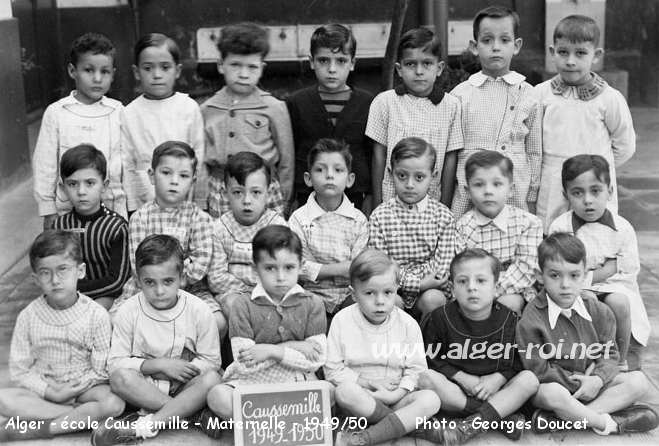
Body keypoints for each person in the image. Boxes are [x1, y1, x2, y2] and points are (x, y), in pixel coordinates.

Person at [516, 233, 658, 435]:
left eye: (574, 275)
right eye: (555, 275)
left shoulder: (599, 311)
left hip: (593, 384)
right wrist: (578, 381)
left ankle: (564, 420)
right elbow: (537, 369)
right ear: (540, 276)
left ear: (584, 275)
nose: (565, 284)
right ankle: (604, 423)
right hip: (556, 388)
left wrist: (597, 380)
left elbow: (610, 356)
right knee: (550, 393)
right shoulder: (531, 319)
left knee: (638, 382)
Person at [91, 234, 222, 445]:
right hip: (145, 385)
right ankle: (187, 414)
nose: (160, 291)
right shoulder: (128, 311)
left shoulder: (199, 309)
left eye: (168, 281)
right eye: (150, 282)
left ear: (182, 278)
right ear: (138, 280)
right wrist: (158, 366)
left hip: (184, 383)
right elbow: (115, 363)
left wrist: (184, 371)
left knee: (212, 379)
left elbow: (212, 360)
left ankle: (144, 426)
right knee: (119, 379)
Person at [0, 231, 124, 442]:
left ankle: (43, 427)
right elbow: (20, 371)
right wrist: (52, 392)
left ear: (80, 271)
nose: (55, 280)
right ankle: (78, 419)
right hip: (46, 390)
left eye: (63, 269)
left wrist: (73, 389)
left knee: (114, 403)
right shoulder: (28, 317)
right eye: (45, 273)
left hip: (86, 390)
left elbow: (101, 369)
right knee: (3, 399)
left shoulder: (96, 315)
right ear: (35, 279)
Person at [206, 225, 327, 420]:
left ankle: (264, 423)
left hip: (295, 382)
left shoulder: (312, 303)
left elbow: (316, 359)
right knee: (217, 396)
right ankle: (274, 424)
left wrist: (273, 350)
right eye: (270, 268)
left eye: (289, 267)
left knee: (328, 392)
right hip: (251, 385)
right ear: (255, 269)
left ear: (301, 265)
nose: (280, 277)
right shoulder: (243, 304)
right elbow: (245, 364)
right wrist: (296, 347)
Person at [419, 248, 539, 443]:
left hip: (496, 389)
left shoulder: (510, 319)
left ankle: (467, 428)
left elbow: (519, 360)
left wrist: (498, 379)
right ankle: (498, 418)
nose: (471, 287)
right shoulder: (440, 318)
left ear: (496, 286)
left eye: (481, 281)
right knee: (426, 379)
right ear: (452, 286)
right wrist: (461, 377)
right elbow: (430, 358)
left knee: (529, 380)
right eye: (462, 281)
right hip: (458, 391)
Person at [326, 249, 440, 445]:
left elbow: (417, 369)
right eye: (369, 293)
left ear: (396, 289)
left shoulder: (407, 324)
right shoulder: (342, 320)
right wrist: (368, 383)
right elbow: (332, 369)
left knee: (431, 400)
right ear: (354, 294)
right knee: (344, 392)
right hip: (363, 399)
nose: (380, 301)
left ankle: (366, 437)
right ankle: (407, 427)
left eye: (388, 293)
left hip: (398, 397)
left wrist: (396, 393)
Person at [548, 154, 650, 370]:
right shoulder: (561, 228)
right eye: (577, 193)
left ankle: (619, 360)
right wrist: (602, 271)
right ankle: (588, 358)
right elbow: (559, 267)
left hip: (616, 285)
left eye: (595, 191)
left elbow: (627, 269)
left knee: (620, 302)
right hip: (574, 287)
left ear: (609, 191)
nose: (587, 200)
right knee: (587, 300)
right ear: (566, 194)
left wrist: (593, 274)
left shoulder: (622, 228)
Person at [110, 141, 223, 333]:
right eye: (166, 173)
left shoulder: (200, 219)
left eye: (183, 175)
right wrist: (169, 274)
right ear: (152, 176)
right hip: (145, 287)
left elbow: (199, 267)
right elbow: (138, 265)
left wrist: (174, 280)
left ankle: (201, 361)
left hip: (190, 289)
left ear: (193, 181)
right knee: (114, 320)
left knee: (217, 322)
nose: (174, 181)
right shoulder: (140, 218)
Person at [536, 14, 635, 232]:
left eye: (580, 53)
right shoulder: (540, 95)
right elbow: (533, 141)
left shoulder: (609, 99)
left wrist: (596, 169)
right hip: (553, 180)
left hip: (593, 182)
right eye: (563, 52)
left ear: (596, 55)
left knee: (595, 235)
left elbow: (625, 145)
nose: (570, 61)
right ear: (552, 52)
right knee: (554, 235)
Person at [450, 5, 542, 218]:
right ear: (474, 46)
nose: (496, 47)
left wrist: (532, 193)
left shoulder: (528, 94)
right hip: (471, 185)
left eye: (504, 40)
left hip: (513, 185)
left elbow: (534, 151)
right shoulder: (461, 95)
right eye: (487, 40)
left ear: (516, 45)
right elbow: (452, 149)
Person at [201, 23, 294, 218]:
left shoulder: (273, 107)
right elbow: (202, 162)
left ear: (262, 68)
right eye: (235, 65)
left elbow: (286, 160)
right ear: (221, 65)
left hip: (264, 190)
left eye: (252, 67)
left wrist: (284, 199)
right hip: (220, 191)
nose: (243, 74)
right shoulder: (207, 109)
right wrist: (203, 198)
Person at [33, 32, 126, 227]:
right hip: (68, 211)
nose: (98, 78)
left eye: (105, 71)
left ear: (113, 74)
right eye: (89, 70)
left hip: (111, 208)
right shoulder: (57, 112)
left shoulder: (118, 111)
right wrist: (48, 209)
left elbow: (127, 163)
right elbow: (45, 164)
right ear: (72, 70)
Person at [366, 27, 462, 208]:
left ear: (439, 68)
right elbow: (378, 155)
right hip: (391, 201)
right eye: (411, 64)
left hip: (432, 202)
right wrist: (378, 204)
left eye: (427, 64)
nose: (419, 71)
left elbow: (451, 158)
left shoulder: (451, 106)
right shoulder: (385, 102)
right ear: (399, 69)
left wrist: (445, 206)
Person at [286, 24, 374, 212]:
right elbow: (290, 151)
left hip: (354, 194)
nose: (332, 69)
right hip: (307, 194)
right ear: (311, 61)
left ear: (352, 63)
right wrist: (291, 195)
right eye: (324, 60)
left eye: (341, 61)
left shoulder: (367, 103)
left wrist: (372, 195)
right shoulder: (297, 102)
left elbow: (371, 153)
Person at [368, 137, 456, 318]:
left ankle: (429, 344)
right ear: (391, 173)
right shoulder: (380, 215)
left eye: (419, 177)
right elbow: (380, 265)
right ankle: (394, 345)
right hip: (392, 291)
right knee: (392, 302)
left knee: (434, 299)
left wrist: (407, 278)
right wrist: (419, 283)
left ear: (434, 175)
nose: (409, 184)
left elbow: (441, 270)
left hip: (430, 291)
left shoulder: (443, 216)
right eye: (402, 176)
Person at [122, 33, 205, 212]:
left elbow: (199, 155)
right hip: (145, 204)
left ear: (178, 71)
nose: (157, 75)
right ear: (136, 72)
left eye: (165, 67)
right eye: (148, 68)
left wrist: (198, 201)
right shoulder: (129, 113)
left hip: (185, 201)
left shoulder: (188, 108)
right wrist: (132, 208)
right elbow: (127, 163)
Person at [289, 138, 369, 319]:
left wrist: (319, 270)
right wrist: (340, 268)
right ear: (308, 179)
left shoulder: (359, 221)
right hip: (310, 296)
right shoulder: (299, 219)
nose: (329, 175)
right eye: (320, 169)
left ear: (350, 179)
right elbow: (297, 268)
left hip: (351, 296)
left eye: (338, 170)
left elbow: (357, 268)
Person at [456, 151, 543, 314]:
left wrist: (490, 293)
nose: (488, 191)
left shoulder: (528, 223)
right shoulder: (463, 227)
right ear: (467, 191)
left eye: (497, 184)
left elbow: (526, 269)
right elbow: (462, 270)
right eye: (479, 184)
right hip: (473, 292)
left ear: (510, 189)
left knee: (509, 303)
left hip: (516, 291)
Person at [207, 151, 286, 329]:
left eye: (256, 192)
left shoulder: (276, 227)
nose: (247, 201)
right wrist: (247, 291)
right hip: (233, 293)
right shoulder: (219, 228)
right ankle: (243, 351)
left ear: (269, 192)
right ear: (225, 193)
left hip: (270, 291)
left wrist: (261, 291)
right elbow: (216, 277)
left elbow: (282, 268)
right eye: (238, 192)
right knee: (234, 305)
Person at [52, 144, 130, 310]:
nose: (81, 191)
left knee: (94, 315)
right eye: (72, 184)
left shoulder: (116, 227)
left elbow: (117, 280)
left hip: (106, 296)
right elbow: (53, 267)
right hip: (66, 295)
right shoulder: (59, 226)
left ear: (104, 185)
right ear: (63, 188)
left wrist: (78, 293)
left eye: (90, 183)